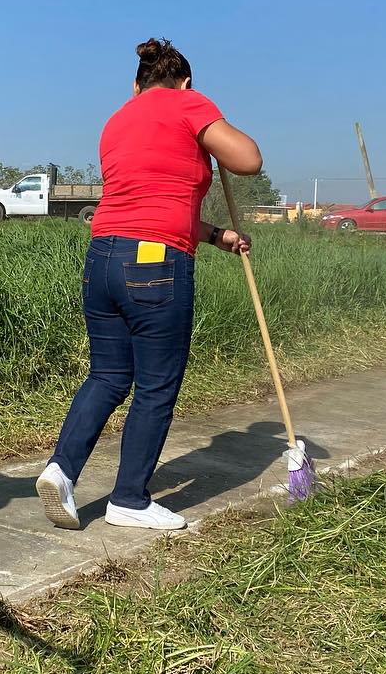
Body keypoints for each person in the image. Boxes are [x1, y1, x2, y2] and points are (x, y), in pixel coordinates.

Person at [35, 38, 262, 531]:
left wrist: (217, 235)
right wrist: (208, 126)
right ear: (183, 82)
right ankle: (129, 499)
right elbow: (247, 159)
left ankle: (61, 470)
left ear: (136, 85)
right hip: (155, 265)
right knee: (156, 385)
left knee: (108, 376)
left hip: (104, 258)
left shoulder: (118, 120)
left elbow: (150, 203)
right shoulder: (188, 102)